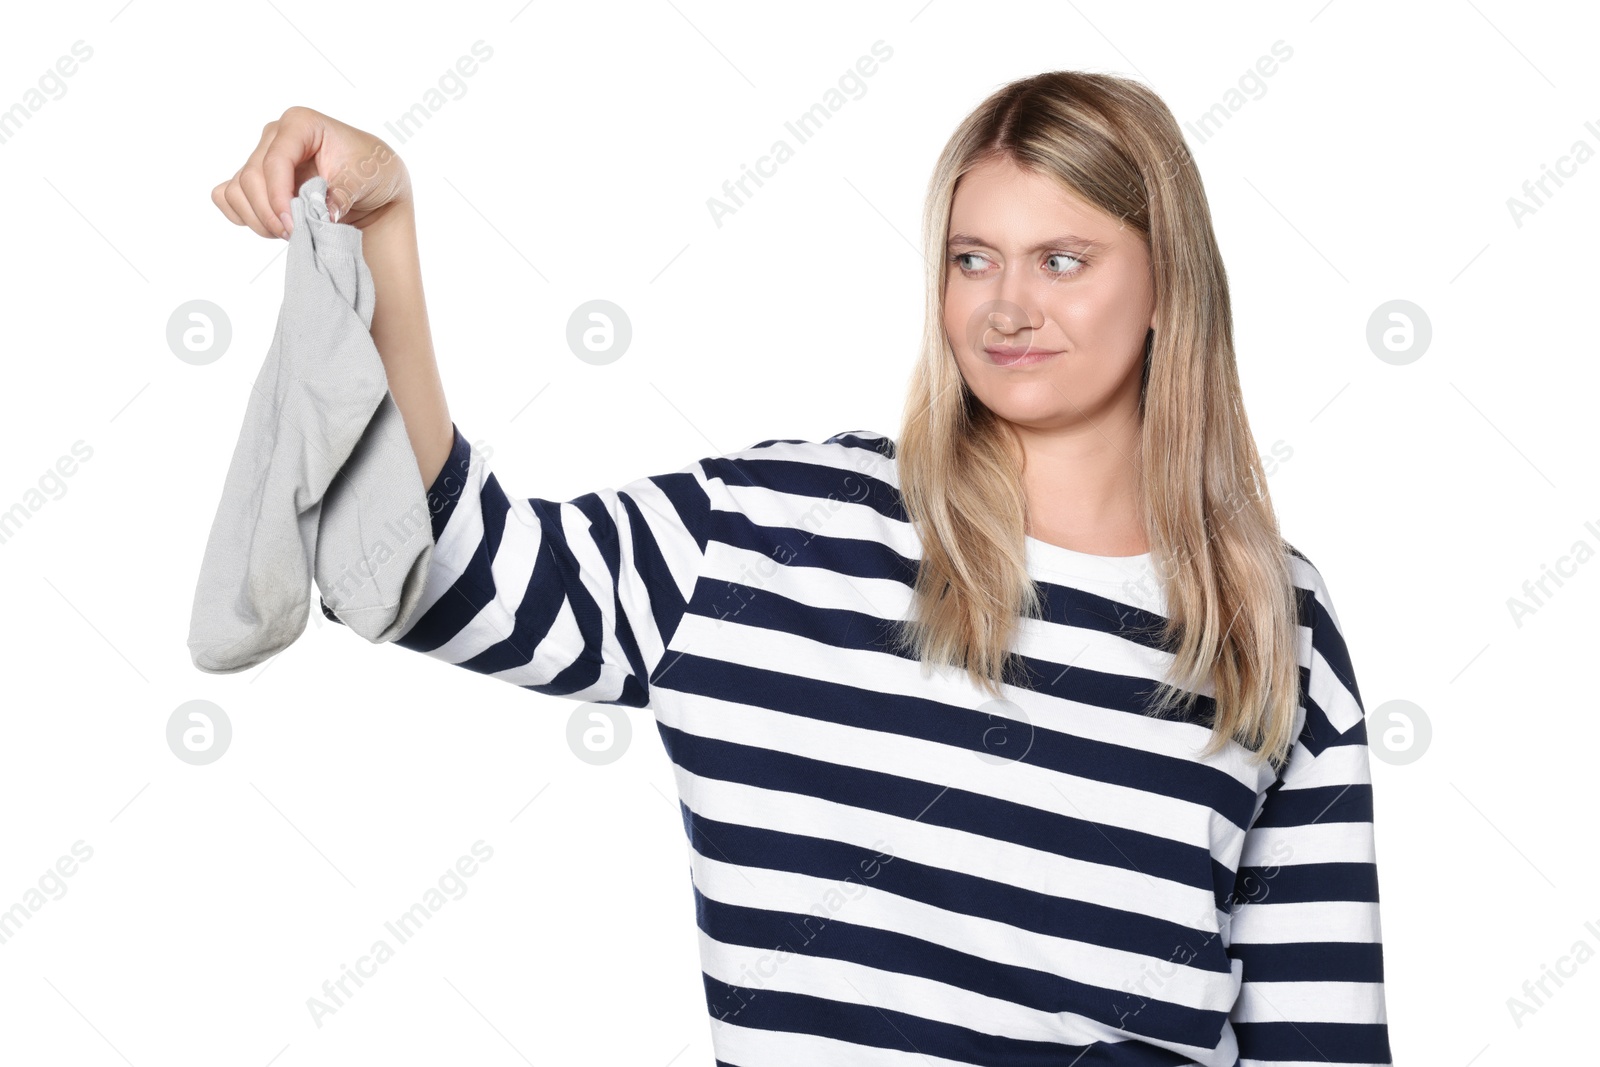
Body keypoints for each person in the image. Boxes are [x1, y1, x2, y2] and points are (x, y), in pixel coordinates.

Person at [212, 71, 1392, 1066]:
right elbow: (455, 574)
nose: (1009, 306)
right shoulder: (777, 530)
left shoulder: (1270, 614)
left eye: (1064, 258)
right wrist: (385, 231)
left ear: (1165, 283)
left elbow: (1323, 1038)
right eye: (972, 259)